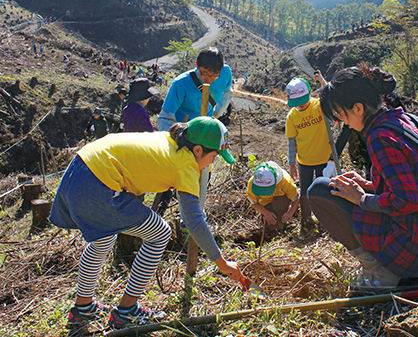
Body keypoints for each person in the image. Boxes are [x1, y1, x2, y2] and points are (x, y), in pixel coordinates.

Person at [50, 116, 243, 329]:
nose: (212, 162)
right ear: (198, 150)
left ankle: (82, 309)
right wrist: (222, 263)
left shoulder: (169, 140)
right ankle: (126, 312)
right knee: (160, 232)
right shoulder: (186, 163)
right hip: (97, 182)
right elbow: (194, 222)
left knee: (103, 239)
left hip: (79, 168)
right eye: (214, 156)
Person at [307, 64, 418, 288]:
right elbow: (412, 182)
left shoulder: (380, 137)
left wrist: (360, 198)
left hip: (413, 251)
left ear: (358, 108)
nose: (341, 121)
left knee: (320, 190)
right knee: (333, 188)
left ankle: (380, 272)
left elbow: (408, 200)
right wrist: (368, 185)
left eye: (340, 113)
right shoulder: (402, 120)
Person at [285, 77, 331, 234]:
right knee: (304, 191)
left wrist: (323, 81)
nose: (300, 103)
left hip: (324, 158)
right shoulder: (292, 116)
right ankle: (306, 220)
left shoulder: (319, 105)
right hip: (304, 161)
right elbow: (292, 143)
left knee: (323, 190)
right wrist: (292, 165)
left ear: (310, 93)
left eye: (302, 99)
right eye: (296, 101)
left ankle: (325, 220)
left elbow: (331, 94)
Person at [157, 47, 233, 130]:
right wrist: (178, 137)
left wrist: (218, 113)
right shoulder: (181, 83)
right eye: (205, 73)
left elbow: (228, 92)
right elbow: (165, 118)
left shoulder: (225, 73)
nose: (209, 79)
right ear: (197, 65)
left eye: (214, 76)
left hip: (206, 128)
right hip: (183, 130)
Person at [247, 161, 299, 231]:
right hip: (265, 204)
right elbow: (254, 203)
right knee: (271, 224)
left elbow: (296, 199)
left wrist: (290, 213)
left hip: (281, 202)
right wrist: (266, 213)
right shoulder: (252, 184)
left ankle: (281, 224)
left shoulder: (285, 182)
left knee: (279, 203)